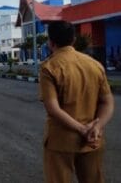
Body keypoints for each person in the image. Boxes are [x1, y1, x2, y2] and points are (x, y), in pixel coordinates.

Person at [39, 21, 114, 183]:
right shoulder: (94, 65)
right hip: (92, 139)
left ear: (51, 42)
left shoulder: (49, 67)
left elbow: (53, 108)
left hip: (61, 141)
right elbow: (107, 102)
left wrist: (81, 129)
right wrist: (96, 127)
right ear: (73, 40)